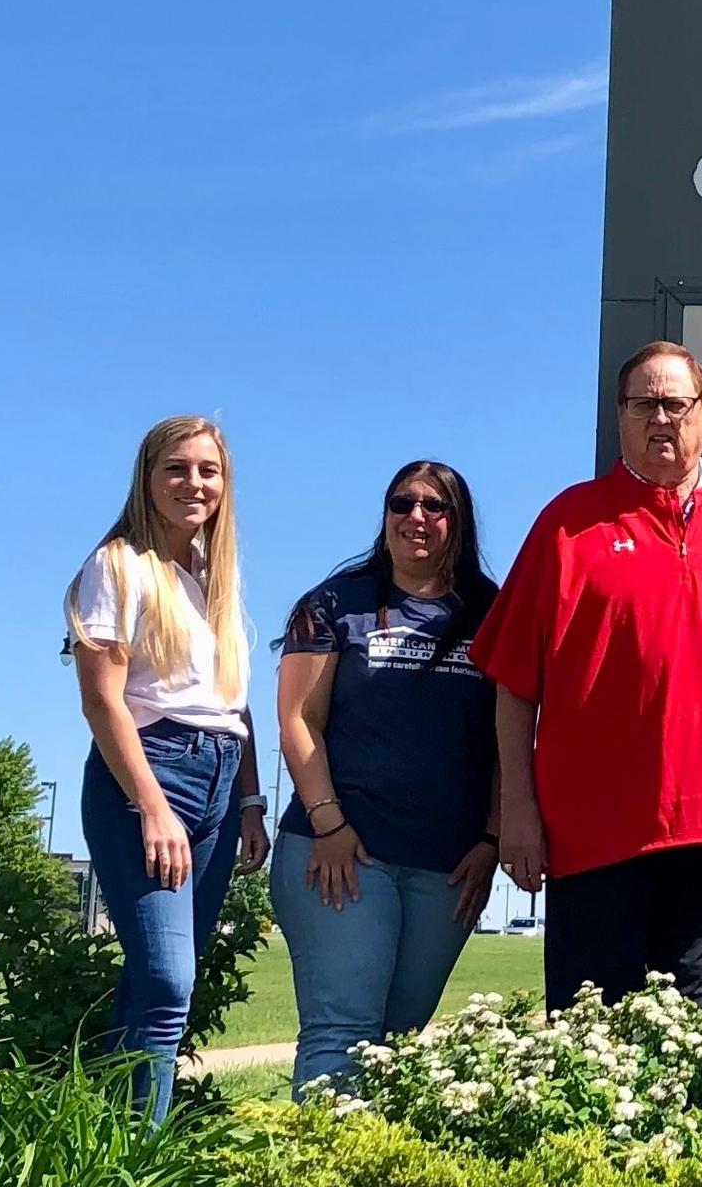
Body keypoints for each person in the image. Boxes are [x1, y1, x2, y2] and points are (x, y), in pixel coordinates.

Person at [474, 341, 702, 1009]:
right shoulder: (568, 524)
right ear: (620, 416)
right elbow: (514, 684)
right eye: (645, 403)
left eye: (676, 403)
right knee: (586, 1042)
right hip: (589, 830)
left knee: (685, 1034)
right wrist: (516, 811)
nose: (661, 418)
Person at [269, 458, 501, 1094]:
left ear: (459, 521)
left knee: (399, 1043)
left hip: (447, 866)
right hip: (344, 854)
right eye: (402, 504)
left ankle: (370, 1184)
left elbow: (511, 737)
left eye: (434, 506)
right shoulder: (335, 604)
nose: (416, 518)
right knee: (341, 1033)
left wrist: (492, 840)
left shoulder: (493, 612)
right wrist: (329, 822)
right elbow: (296, 718)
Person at [67, 414, 268, 1118]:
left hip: (218, 779)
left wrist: (250, 804)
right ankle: (137, 1176)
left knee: (155, 989)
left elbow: (232, 705)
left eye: (208, 470)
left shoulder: (215, 580)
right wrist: (153, 806)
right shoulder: (117, 566)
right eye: (176, 468)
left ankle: (104, 1145)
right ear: (147, 478)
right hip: (151, 773)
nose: (194, 483)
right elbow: (102, 701)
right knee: (167, 982)